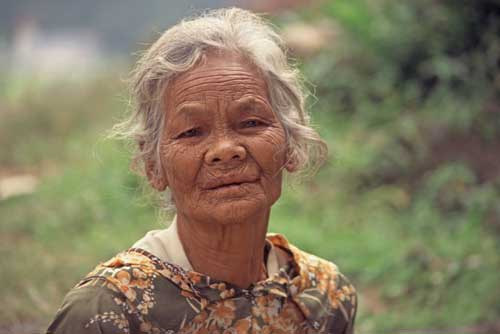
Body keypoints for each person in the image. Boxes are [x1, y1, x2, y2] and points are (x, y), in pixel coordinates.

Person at [47, 7, 357, 334]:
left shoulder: (324, 296)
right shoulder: (110, 311)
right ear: (153, 165)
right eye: (192, 132)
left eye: (251, 122)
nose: (225, 150)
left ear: (291, 144)